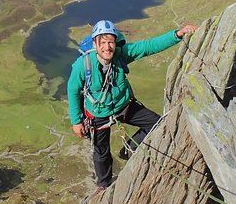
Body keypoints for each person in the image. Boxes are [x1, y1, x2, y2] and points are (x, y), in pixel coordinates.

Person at [67, 19, 197, 192]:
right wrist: (77, 121)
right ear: (95, 43)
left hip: (124, 106)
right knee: (101, 151)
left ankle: (129, 149)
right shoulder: (83, 65)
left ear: (115, 42)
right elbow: (73, 90)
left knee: (156, 123)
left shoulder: (121, 54)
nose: (107, 47)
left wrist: (177, 34)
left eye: (110, 42)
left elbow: (148, 46)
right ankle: (103, 184)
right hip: (97, 113)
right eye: (103, 43)